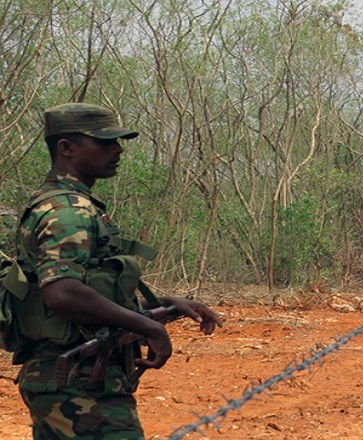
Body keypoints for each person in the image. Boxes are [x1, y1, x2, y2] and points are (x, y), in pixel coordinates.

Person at [11, 103, 223, 439]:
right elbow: (61, 291)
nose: (117, 149)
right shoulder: (68, 210)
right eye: (104, 142)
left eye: (117, 142)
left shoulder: (62, 203)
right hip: (78, 386)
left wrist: (165, 306)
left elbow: (89, 289)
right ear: (66, 148)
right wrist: (146, 326)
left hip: (67, 381)